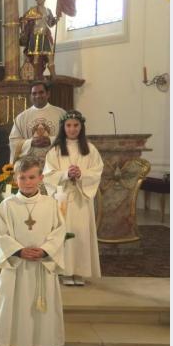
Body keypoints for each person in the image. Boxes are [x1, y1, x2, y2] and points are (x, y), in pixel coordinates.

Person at [0, 156, 66, 346]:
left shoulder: (51, 204)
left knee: (41, 310)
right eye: (22, 177)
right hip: (17, 268)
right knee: (15, 307)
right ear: (15, 179)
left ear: (41, 178)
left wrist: (45, 250)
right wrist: (18, 250)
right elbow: (0, 233)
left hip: (42, 266)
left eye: (32, 177)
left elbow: (59, 232)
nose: (27, 182)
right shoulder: (7, 206)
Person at [43, 110, 103, 286]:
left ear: (81, 127)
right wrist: (65, 174)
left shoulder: (90, 149)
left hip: (81, 199)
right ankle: (64, 271)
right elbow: (48, 174)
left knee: (81, 233)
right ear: (63, 127)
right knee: (64, 232)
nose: (72, 129)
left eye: (76, 125)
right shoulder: (55, 150)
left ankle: (80, 271)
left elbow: (97, 171)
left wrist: (81, 174)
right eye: (69, 125)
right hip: (62, 198)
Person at [8, 81, 66, 163]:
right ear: (30, 96)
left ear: (48, 94)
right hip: (29, 163)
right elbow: (13, 142)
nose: (38, 96)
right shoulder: (21, 117)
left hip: (55, 161)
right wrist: (31, 142)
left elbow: (69, 138)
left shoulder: (61, 114)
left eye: (41, 92)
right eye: (34, 93)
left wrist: (52, 140)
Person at [19, 0, 57, 79]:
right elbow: (23, 19)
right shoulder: (33, 10)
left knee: (50, 55)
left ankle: (54, 75)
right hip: (35, 35)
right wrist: (24, 30)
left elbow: (50, 23)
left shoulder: (48, 11)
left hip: (45, 35)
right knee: (35, 57)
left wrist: (56, 19)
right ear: (36, 0)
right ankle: (36, 76)